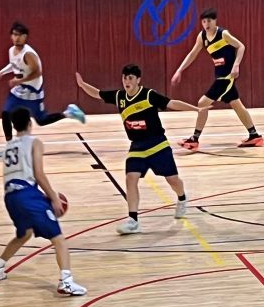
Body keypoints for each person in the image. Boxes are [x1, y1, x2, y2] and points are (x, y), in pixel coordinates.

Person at [75, 65, 198, 235]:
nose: (127, 81)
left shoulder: (148, 95)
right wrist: (82, 85)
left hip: (158, 145)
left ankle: (182, 198)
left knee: (173, 180)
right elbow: (97, 93)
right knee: (130, 178)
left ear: (138, 80)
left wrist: (196, 109)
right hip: (137, 147)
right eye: (124, 78)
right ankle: (133, 221)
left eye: (130, 78)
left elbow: (172, 103)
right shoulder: (119, 97)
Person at [0, 108, 87, 296]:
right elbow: (39, 174)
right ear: (30, 124)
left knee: (24, 234)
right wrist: (53, 197)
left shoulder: (8, 146)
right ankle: (66, 281)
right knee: (59, 239)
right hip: (27, 194)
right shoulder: (34, 142)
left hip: (10, 196)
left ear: (14, 126)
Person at [170, 9, 263, 150]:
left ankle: (194, 139)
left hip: (227, 77)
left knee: (202, 103)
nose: (206, 24)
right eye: (204, 21)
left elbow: (241, 46)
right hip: (220, 76)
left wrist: (236, 65)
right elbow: (192, 54)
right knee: (236, 104)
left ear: (215, 21)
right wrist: (179, 70)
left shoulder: (223, 34)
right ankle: (254, 135)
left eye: (209, 21)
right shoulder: (202, 36)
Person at [0, 22, 85, 140]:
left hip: (33, 90)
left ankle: (69, 113)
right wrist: (1, 72)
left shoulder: (28, 54)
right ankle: (10, 144)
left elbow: (37, 73)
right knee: (6, 113)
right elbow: (14, 64)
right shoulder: (12, 50)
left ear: (25, 37)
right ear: (11, 36)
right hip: (21, 89)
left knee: (41, 120)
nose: (17, 38)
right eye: (15, 35)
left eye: (20, 35)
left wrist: (19, 81)